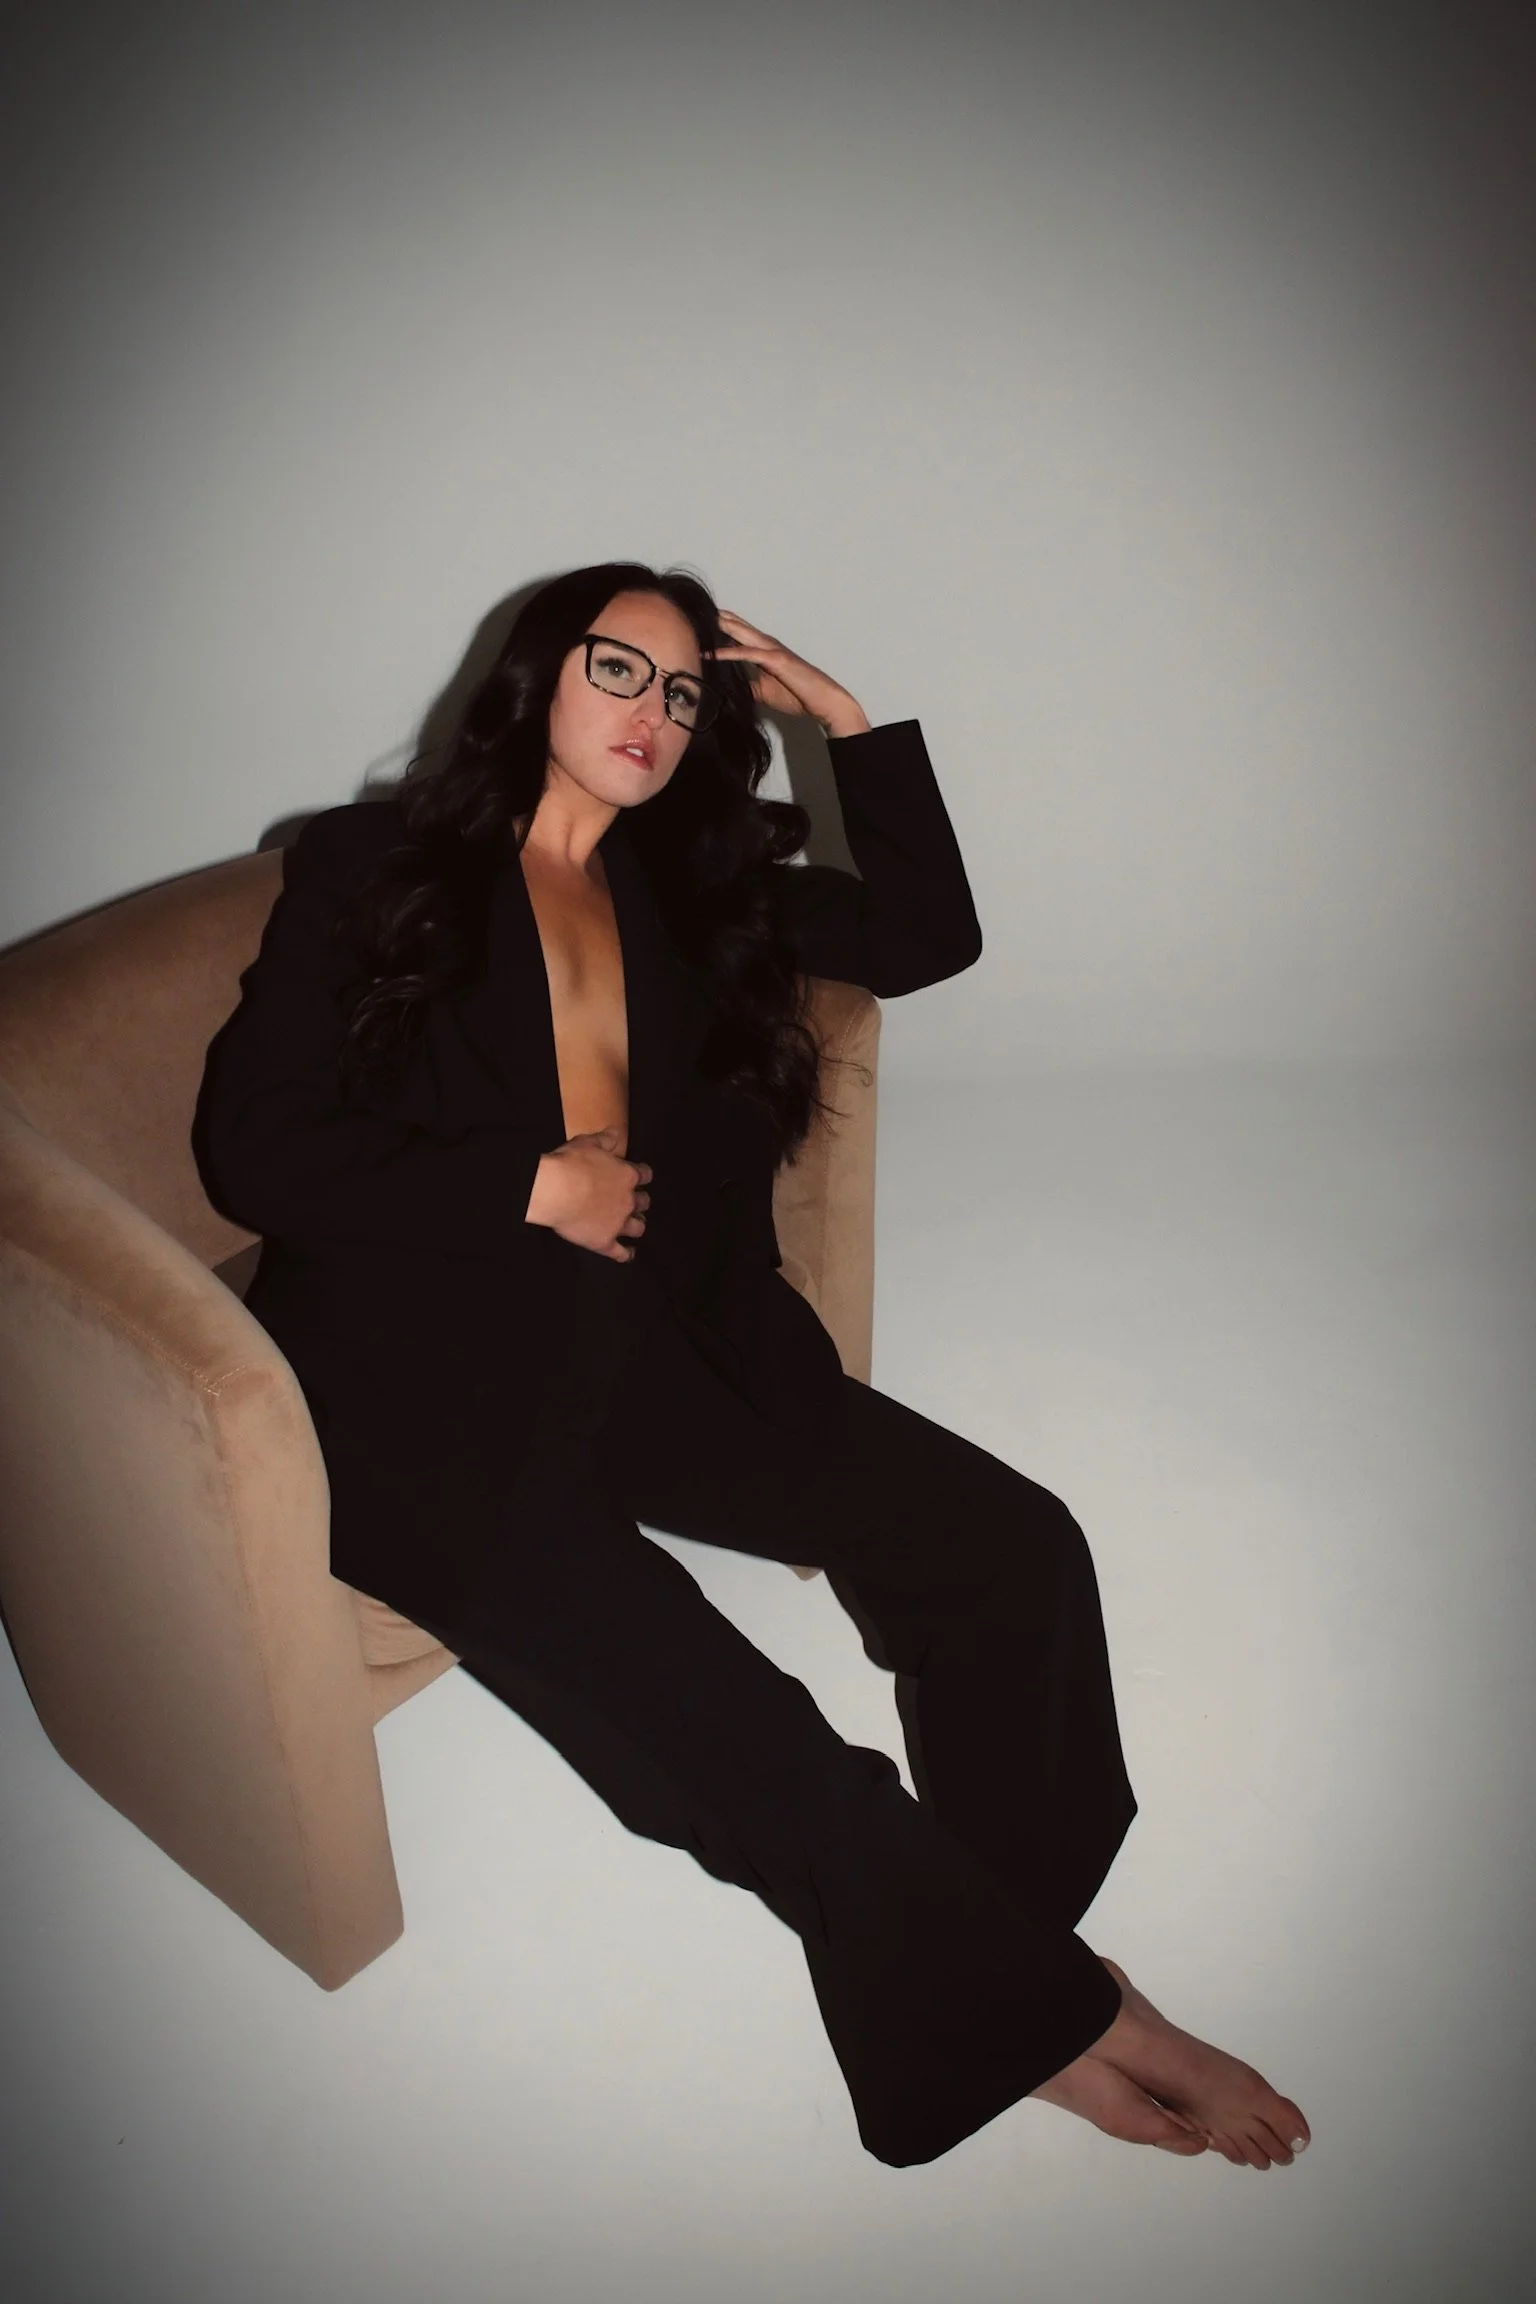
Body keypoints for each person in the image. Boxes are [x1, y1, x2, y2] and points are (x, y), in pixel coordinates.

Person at [193, 561, 1310, 2172]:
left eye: (682, 690)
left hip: (656, 1347)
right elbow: (255, 1146)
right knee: (751, 1739)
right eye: (616, 668)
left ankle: (1004, 1969)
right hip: (415, 1392)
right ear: (535, 674)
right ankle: (1075, 2015)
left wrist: (842, 725)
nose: (651, 711)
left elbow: (926, 934)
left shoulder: (687, 890)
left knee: (1011, 1549)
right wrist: (530, 1185)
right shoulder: (375, 866)